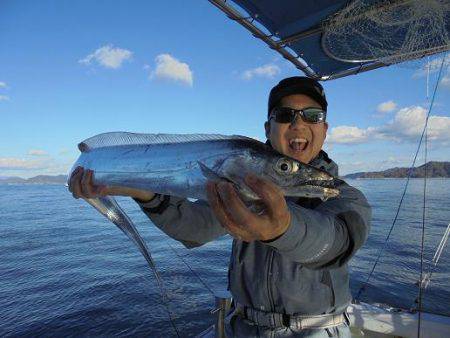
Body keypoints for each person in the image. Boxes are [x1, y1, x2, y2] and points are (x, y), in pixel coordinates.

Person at [69, 76, 371, 337]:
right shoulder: (239, 189)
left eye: (312, 115)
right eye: (285, 114)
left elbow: (337, 241)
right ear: (268, 128)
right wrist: (143, 192)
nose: (298, 123)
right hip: (243, 328)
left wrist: (283, 228)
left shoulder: (344, 197)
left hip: (318, 331)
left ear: (325, 128)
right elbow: (197, 228)